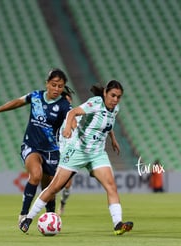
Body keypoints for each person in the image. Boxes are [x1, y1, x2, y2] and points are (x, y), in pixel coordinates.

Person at [20, 80, 133, 235]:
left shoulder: (115, 109)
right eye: (113, 95)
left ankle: (118, 224)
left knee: (111, 185)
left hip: (97, 153)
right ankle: (28, 218)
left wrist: (113, 139)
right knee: (55, 187)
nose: (115, 100)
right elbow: (72, 113)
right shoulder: (95, 103)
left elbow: (107, 124)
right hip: (77, 150)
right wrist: (67, 128)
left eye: (118, 97)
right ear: (105, 93)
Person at [0, 68, 73, 224]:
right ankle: (23, 214)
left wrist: (71, 128)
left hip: (51, 151)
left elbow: (73, 118)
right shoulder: (36, 96)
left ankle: (50, 217)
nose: (56, 89)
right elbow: (18, 102)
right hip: (30, 145)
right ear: (47, 84)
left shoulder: (64, 105)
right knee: (36, 175)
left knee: (49, 187)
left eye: (60, 86)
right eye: (54, 85)